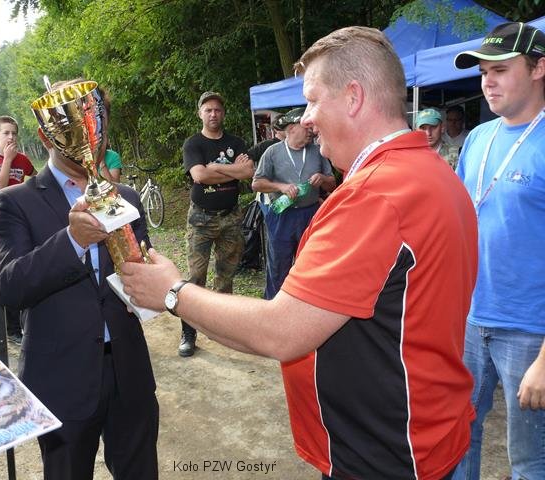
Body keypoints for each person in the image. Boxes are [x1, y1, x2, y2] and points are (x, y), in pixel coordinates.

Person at [122, 26, 477, 480]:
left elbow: (281, 331)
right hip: (423, 436)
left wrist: (173, 293)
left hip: (384, 454)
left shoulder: (376, 196)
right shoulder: (432, 172)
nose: (306, 118)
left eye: (312, 100)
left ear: (353, 97)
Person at [0, 79, 158, 480]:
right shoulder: (14, 201)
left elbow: (141, 274)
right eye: (73, 125)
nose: (87, 134)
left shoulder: (126, 197)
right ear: (46, 134)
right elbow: (10, 286)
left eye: (93, 122)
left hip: (129, 372)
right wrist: (72, 241)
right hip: (61, 379)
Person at [452, 22, 545, 480]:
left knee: (530, 460)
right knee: (457, 439)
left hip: (530, 332)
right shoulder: (478, 137)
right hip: (470, 320)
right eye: (484, 72)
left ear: (539, 68)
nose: (488, 82)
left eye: (501, 70)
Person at [178, 90, 254, 357]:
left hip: (231, 218)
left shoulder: (236, 142)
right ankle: (189, 332)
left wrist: (215, 168)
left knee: (226, 276)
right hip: (201, 219)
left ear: (223, 113)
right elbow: (199, 176)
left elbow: (248, 172)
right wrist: (232, 170)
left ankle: (223, 330)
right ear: (200, 113)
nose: (213, 114)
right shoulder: (193, 144)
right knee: (195, 278)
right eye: (208, 110)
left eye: (217, 110)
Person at [252, 107, 336, 299]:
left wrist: (322, 178)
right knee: (278, 263)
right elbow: (256, 184)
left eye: (310, 127)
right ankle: (273, 303)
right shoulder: (272, 152)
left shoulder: (317, 151)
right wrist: (280, 186)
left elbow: (333, 183)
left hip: (310, 214)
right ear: (291, 129)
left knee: (310, 261)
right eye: (305, 127)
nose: (310, 130)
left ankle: (307, 301)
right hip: (282, 214)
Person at [0, 116, 36, 351]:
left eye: (14, 133)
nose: (11, 137)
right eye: (6, 133)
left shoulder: (23, 160)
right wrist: (8, 160)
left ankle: (14, 330)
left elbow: (37, 180)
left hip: (18, 230)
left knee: (15, 279)